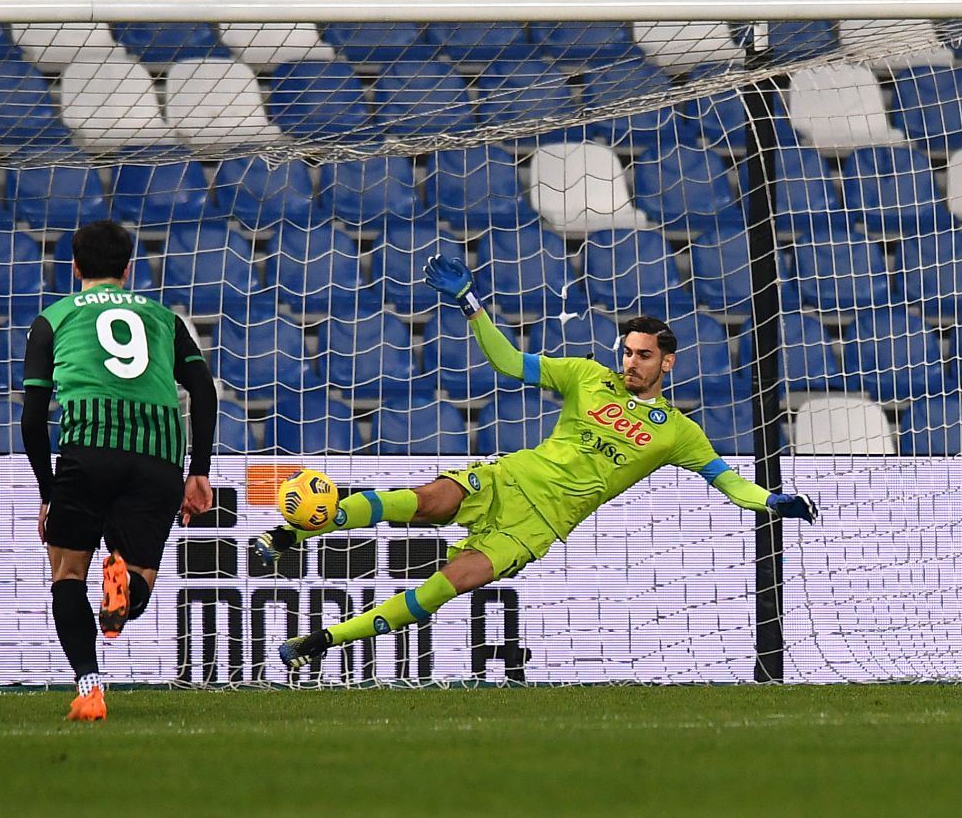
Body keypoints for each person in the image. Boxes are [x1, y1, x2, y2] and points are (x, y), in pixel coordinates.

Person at [264, 255, 818, 671]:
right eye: (626, 350)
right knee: (426, 503)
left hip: (539, 526)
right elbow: (506, 363)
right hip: (511, 478)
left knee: (443, 588)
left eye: (643, 354)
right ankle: (304, 528)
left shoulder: (678, 432)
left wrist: (770, 500)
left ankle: (321, 642)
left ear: (666, 362)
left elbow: (726, 481)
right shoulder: (584, 375)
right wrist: (470, 303)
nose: (630, 361)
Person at [21, 220, 217, 723]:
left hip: (88, 450)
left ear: (75, 266)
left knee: (67, 574)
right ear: (129, 269)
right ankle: (125, 583)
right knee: (139, 579)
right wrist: (198, 471)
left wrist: (48, 490)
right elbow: (204, 391)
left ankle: (89, 688)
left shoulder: (53, 319)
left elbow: (32, 415)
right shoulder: (164, 318)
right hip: (157, 455)